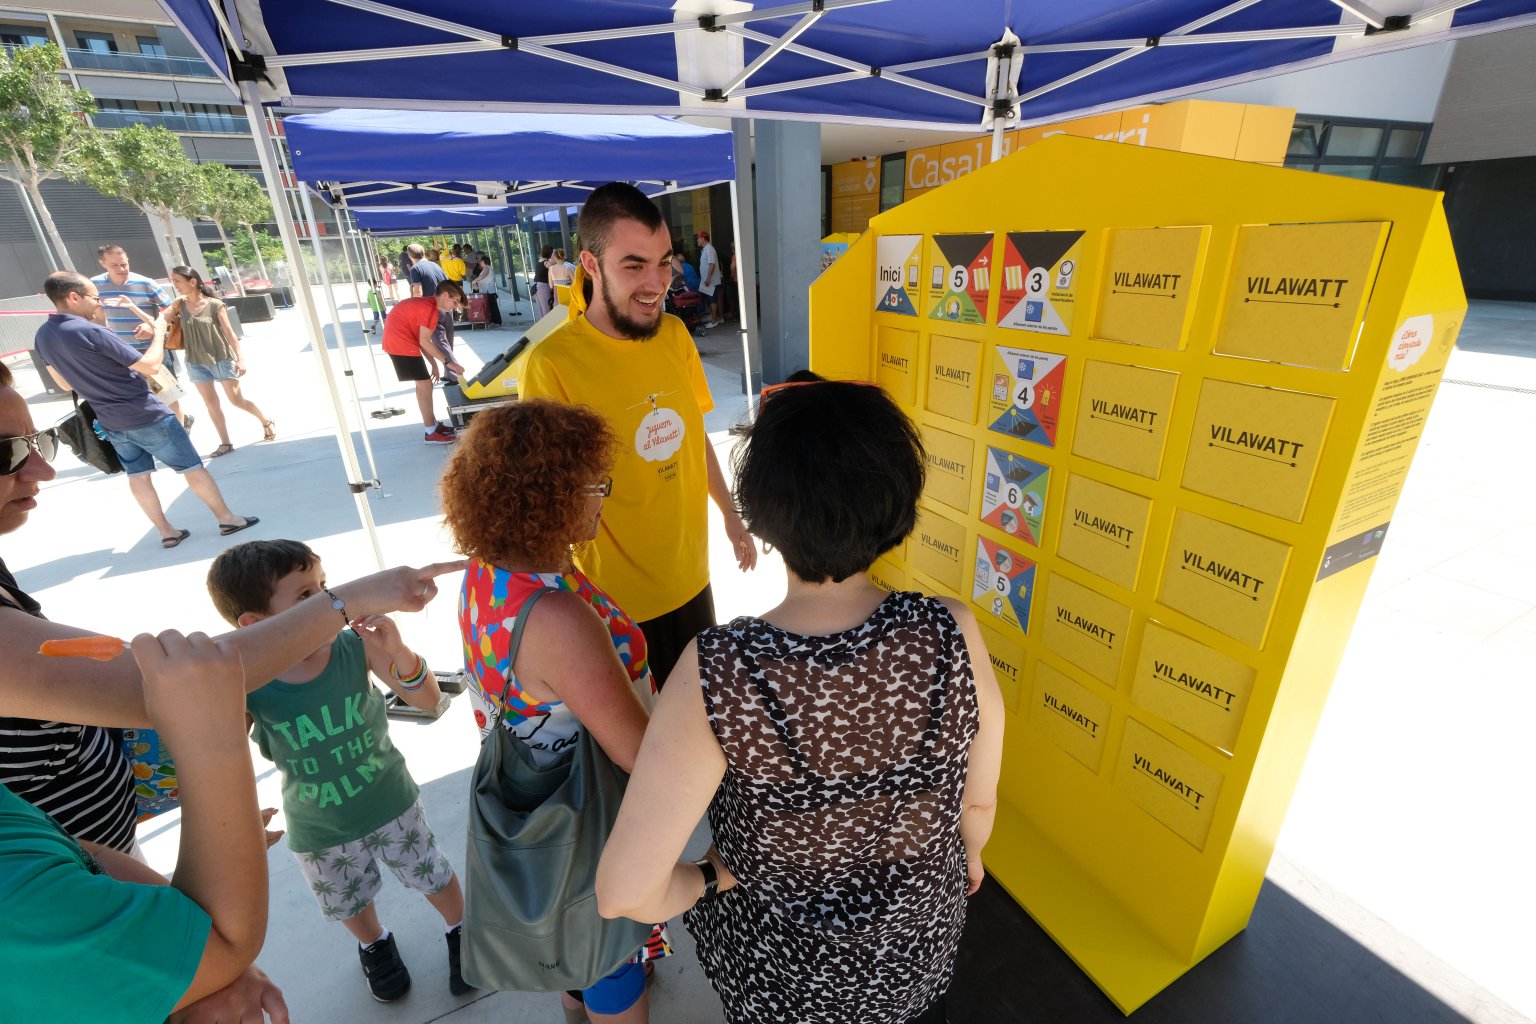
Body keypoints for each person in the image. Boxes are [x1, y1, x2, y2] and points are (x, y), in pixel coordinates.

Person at [596, 379, 1004, 1024]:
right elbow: (977, 802)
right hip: (912, 963)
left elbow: (625, 892)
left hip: (779, 987)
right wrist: (970, 856)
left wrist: (708, 877)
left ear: (762, 513)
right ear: (898, 502)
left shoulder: (722, 667)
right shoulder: (951, 630)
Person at [442, 399, 669, 1024]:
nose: (602, 498)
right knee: (606, 953)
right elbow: (641, 755)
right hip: (586, 810)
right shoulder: (557, 617)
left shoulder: (489, 573)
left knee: (576, 950)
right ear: (548, 499)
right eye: (595, 485)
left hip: (540, 791)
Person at [207, 540, 473, 1003]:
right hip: (318, 827)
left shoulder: (355, 646)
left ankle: (461, 928)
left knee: (432, 873)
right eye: (307, 596)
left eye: (326, 586)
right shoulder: (248, 685)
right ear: (254, 624)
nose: (332, 602)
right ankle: (375, 944)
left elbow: (429, 700)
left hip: (391, 802)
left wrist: (398, 651)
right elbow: (220, 757)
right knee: (349, 899)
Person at [518, 183, 757, 686]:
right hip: (613, 601)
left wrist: (731, 517)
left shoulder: (674, 335)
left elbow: (693, 438)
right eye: (634, 265)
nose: (657, 283)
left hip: (692, 575)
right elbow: (544, 498)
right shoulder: (551, 363)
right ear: (590, 264)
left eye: (664, 263)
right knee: (643, 732)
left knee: (697, 712)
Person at [33, 272, 258, 549]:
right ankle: (227, 518)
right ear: (73, 297)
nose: (98, 302)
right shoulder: (91, 331)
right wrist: (160, 331)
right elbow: (150, 365)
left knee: (138, 476)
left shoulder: (43, 336)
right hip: (146, 413)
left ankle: (167, 532)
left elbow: (64, 383)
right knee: (192, 468)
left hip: (110, 421)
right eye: (95, 298)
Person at [159, 266, 276, 459]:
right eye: (174, 281)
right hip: (195, 361)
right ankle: (225, 443)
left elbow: (230, 334)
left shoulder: (215, 304)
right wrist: (135, 309)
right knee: (211, 404)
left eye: (178, 281)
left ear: (193, 281)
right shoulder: (179, 305)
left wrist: (241, 359)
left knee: (236, 400)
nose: (175, 285)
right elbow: (160, 321)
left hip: (221, 359)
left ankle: (265, 420)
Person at [93, 243, 188, 429]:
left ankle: (181, 431)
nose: (121, 269)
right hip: (118, 355)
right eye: (115, 265)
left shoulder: (146, 283)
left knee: (167, 396)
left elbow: (172, 309)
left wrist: (151, 325)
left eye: (124, 264)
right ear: (102, 263)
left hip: (150, 351)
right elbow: (92, 314)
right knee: (137, 400)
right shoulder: (94, 285)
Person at [382, 279, 465, 444]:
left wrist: (434, 364)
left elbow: (422, 340)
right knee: (425, 385)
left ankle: (432, 425)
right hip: (399, 343)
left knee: (424, 385)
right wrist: (448, 363)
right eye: (455, 301)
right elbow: (424, 341)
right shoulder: (430, 309)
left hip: (401, 341)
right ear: (445, 295)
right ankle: (430, 431)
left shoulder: (429, 305)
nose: (455, 306)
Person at [695, 231, 722, 329]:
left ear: (703, 238)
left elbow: (712, 264)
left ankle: (714, 321)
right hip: (706, 281)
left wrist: (708, 278)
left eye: (698, 238)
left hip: (710, 281)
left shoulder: (709, 249)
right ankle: (713, 319)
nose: (697, 240)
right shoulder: (705, 249)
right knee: (709, 300)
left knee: (712, 300)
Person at [533, 245, 554, 318]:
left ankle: (544, 323)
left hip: (537, 286)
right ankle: (548, 323)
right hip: (544, 286)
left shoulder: (539, 262)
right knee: (546, 307)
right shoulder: (547, 263)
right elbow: (555, 271)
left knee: (541, 308)